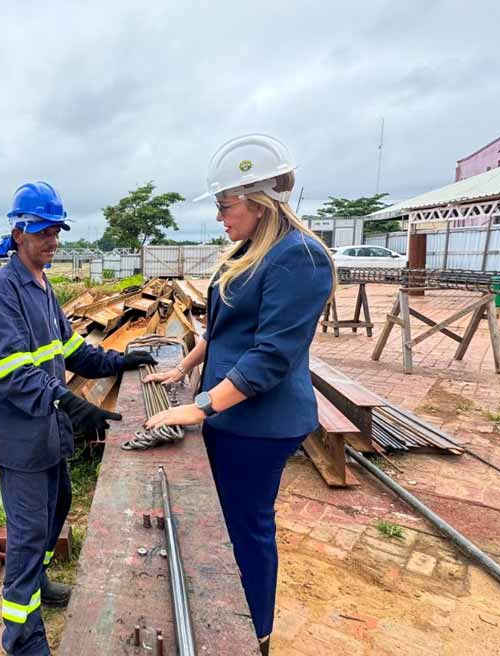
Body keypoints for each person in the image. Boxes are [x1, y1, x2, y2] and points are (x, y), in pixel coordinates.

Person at [142, 134, 334, 655]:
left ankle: (256, 635)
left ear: (258, 202)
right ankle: (233, 612)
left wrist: (201, 405)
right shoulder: (251, 251)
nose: (221, 217)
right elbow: (224, 329)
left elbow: (271, 356)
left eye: (226, 206)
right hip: (233, 416)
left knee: (247, 528)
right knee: (227, 519)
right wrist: (182, 368)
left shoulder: (300, 259)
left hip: (261, 423)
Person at [0, 181, 155, 655]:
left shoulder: (42, 286)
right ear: (18, 233)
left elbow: (70, 350)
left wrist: (119, 361)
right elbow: (12, 373)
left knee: (58, 507)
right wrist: (72, 404)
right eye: (42, 231)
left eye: (56, 230)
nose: (52, 240)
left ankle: (39, 585)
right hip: (20, 436)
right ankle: (22, 638)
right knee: (30, 533)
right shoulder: (3, 290)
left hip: (46, 431)